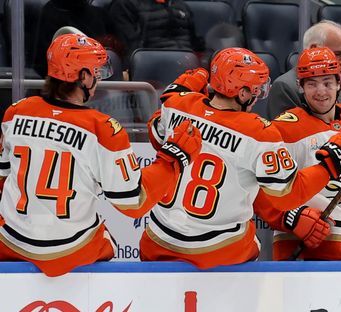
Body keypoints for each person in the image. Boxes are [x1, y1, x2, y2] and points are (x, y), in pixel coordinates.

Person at [0, 34, 201, 276]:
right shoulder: (102, 128)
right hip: (70, 250)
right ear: (83, 76)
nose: (98, 78)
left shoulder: (16, 112)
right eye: (95, 72)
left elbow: (3, 179)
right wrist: (174, 157)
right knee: (108, 243)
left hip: (11, 243)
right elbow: (133, 202)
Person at [141, 48, 339, 268]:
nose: (257, 97)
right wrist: (333, 161)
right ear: (243, 93)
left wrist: (174, 92)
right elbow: (288, 195)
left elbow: (156, 132)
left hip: (159, 243)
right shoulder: (259, 133)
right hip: (220, 253)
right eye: (256, 89)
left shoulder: (175, 105)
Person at [260, 47, 341, 260]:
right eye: (311, 84)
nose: (321, 91)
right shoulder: (284, 129)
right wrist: (289, 217)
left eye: (327, 83)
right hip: (311, 243)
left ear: (339, 83)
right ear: (300, 87)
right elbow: (264, 188)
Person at [265, 20, 341, 120]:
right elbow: (287, 132)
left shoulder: (338, 83)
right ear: (313, 49)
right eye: (337, 54)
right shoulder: (285, 87)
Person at [107, 0, 204, 68]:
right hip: (151, 69)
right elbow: (130, 49)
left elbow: (196, 43)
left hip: (187, 65)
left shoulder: (180, 5)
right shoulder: (124, 5)